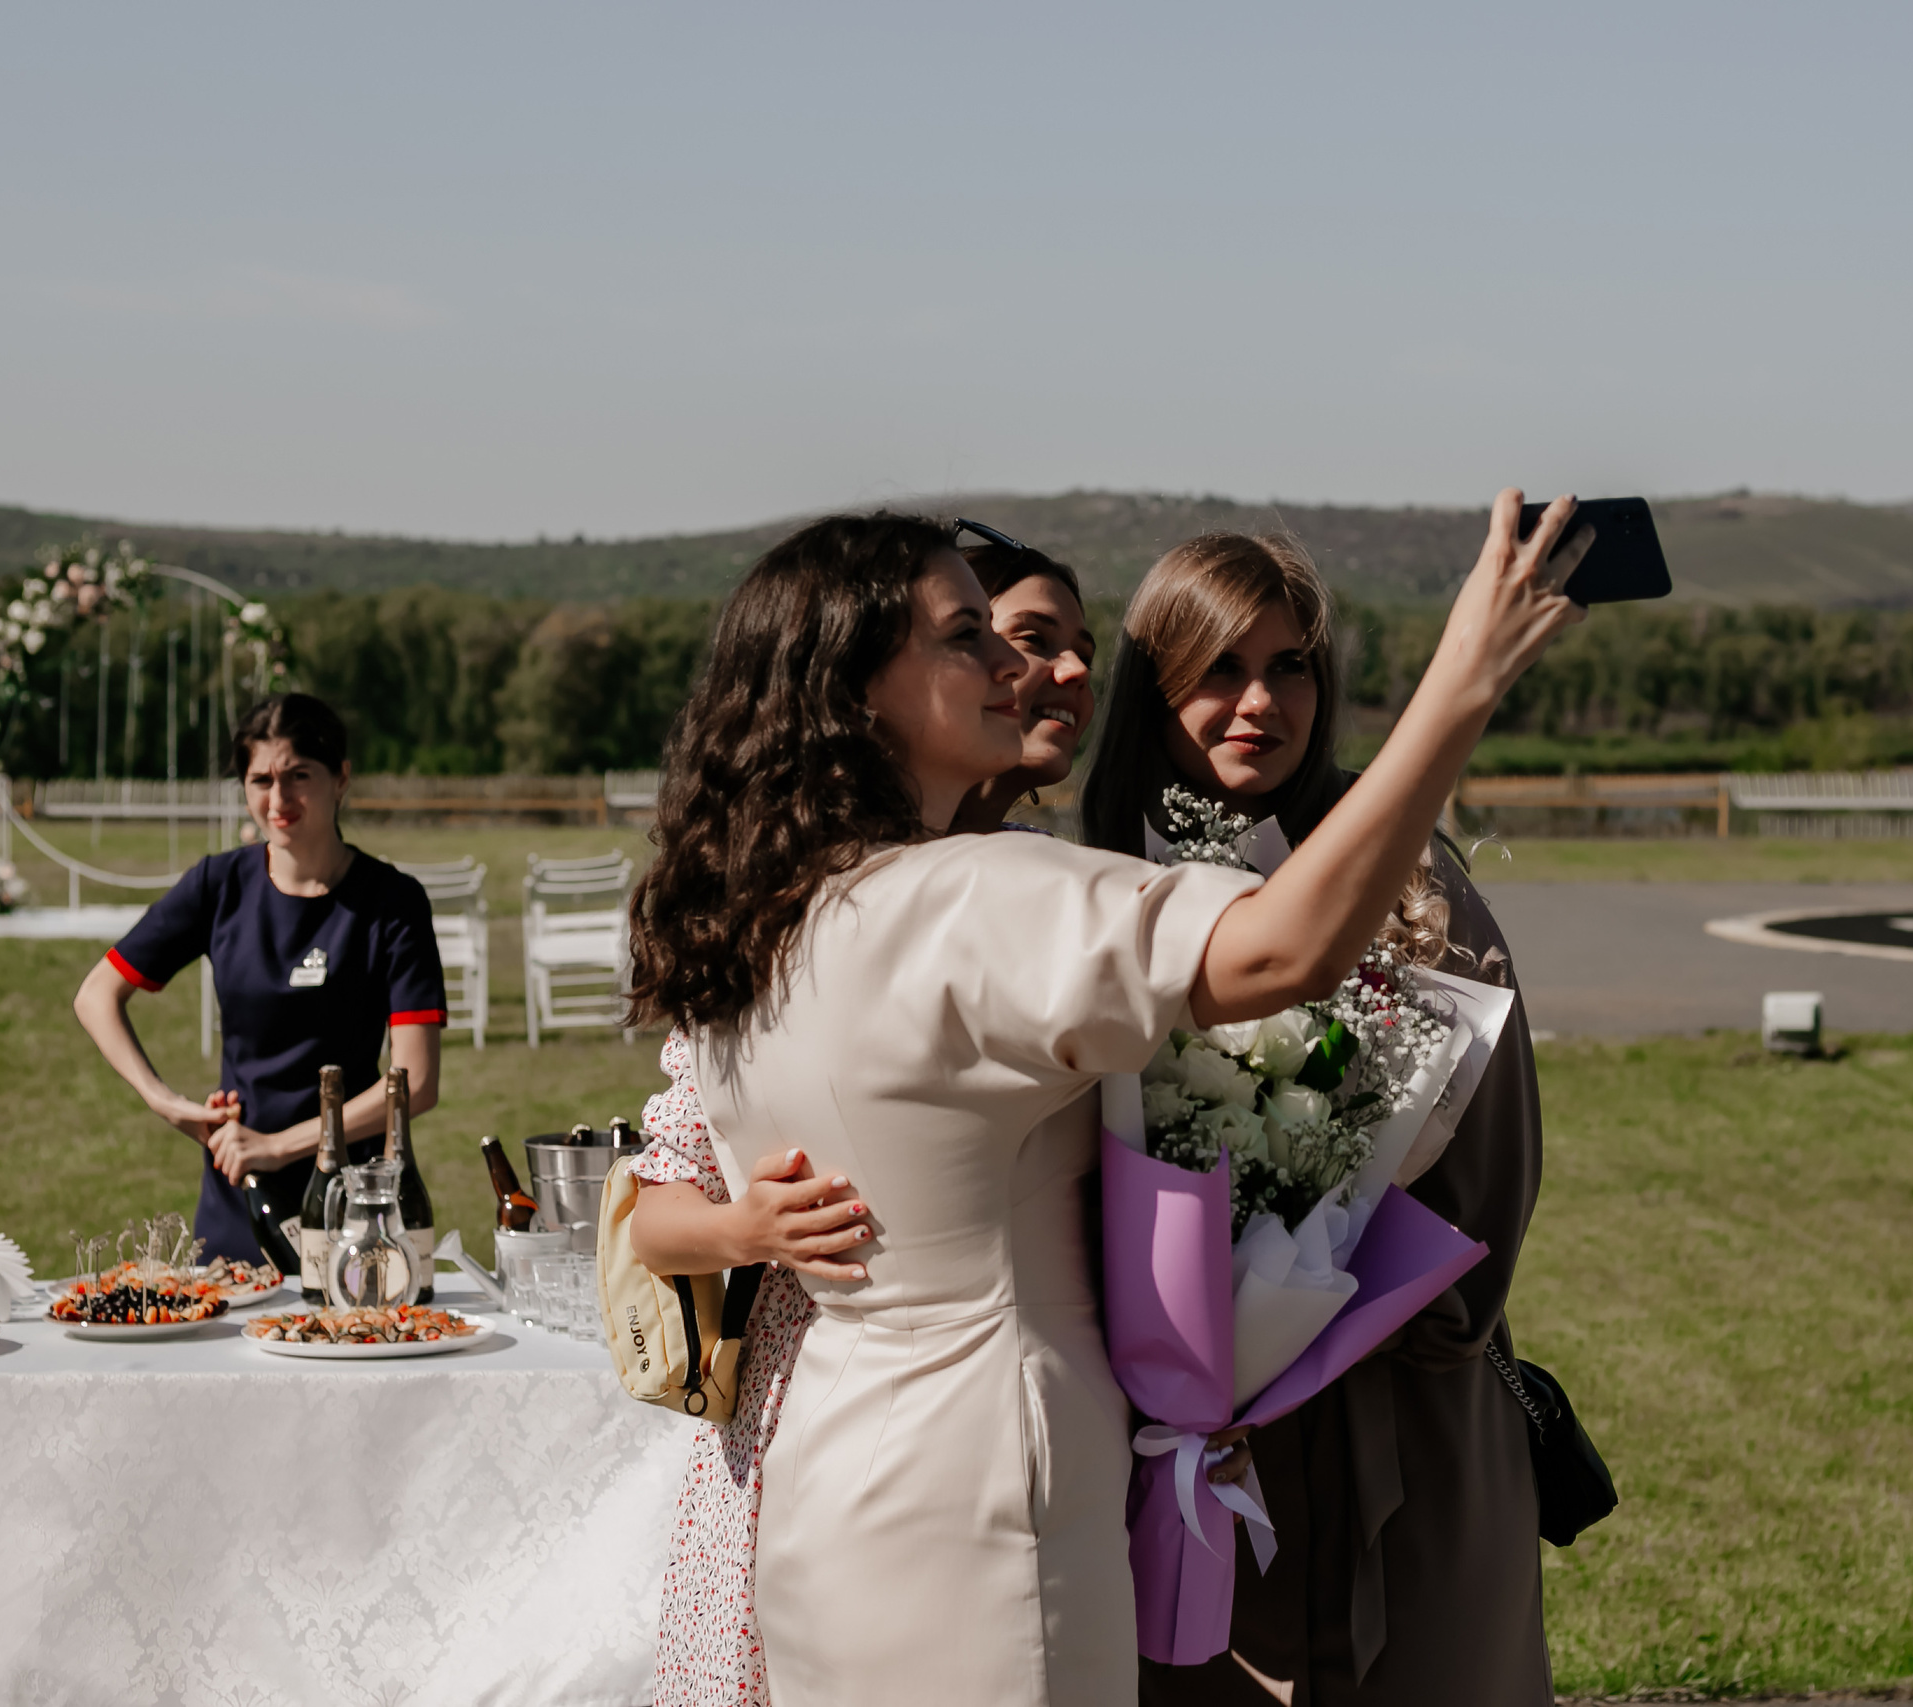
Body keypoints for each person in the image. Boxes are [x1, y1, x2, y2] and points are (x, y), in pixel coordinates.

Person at [621, 497, 1583, 1707]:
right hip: (989, 1503)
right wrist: (1463, 681)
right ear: (858, 688)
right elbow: (1281, 952)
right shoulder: (970, 899)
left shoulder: (760, 917)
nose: (1015, 665)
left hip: (828, 1479)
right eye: (966, 635)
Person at [1083, 533, 1557, 1706]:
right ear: (1150, 683)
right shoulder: (1082, 884)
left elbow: (1492, 1163)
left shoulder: (1408, 878)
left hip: (1401, 1412)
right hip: (1155, 1446)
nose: (1261, 703)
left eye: (1290, 666)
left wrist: (1329, 1321)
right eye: (1219, 667)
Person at [639, 519, 1097, 1706]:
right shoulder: (776, 910)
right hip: (817, 1397)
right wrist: (748, 1230)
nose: (1043, 670)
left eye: (1075, 648)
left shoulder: (1051, 883)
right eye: (1004, 635)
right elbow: (650, 1211)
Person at [71, 693, 447, 1264]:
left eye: (298, 776)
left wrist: (278, 1146)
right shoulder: (217, 886)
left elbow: (416, 1084)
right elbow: (96, 995)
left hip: (356, 1202)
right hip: (240, 1194)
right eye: (261, 780)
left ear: (341, 778)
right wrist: (167, 1103)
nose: (278, 799)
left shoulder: (392, 902)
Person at [948, 520, 1098, 834]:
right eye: (1034, 639)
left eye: (1085, 656)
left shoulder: (1047, 859)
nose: (1079, 669)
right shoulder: (854, 854)